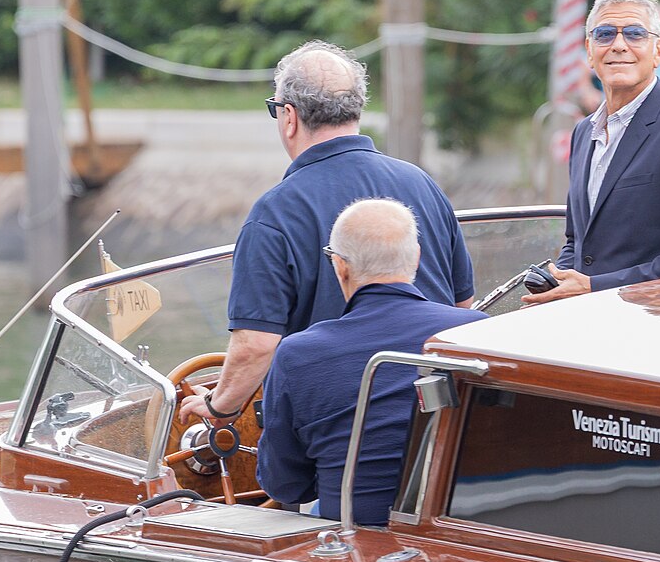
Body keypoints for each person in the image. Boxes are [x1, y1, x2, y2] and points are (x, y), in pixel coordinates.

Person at [179, 41, 474, 426]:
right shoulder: (422, 184)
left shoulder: (275, 213)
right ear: (356, 109)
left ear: (289, 116)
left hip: (337, 427)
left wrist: (221, 408)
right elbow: (461, 306)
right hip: (436, 420)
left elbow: (256, 346)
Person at [257, 198, 487, 524]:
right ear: (416, 257)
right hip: (460, 529)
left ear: (340, 266)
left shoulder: (297, 355)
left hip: (355, 538)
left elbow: (287, 486)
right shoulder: (474, 333)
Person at [524, 0, 660, 305]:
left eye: (635, 34)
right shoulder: (583, 133)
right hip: (583, 330)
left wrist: (595, 286)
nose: (619, 45)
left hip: (654, 331)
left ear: (658, 50)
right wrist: (558, 280)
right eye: (605, 34)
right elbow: (577, 240)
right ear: (589, 51)